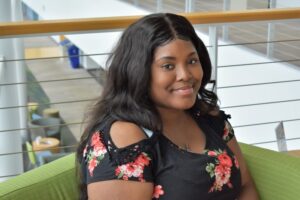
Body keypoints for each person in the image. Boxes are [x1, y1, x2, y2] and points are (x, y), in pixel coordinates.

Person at [76, 13, 259, 200]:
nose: (185, 75)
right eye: (168, 66)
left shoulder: (210, 119)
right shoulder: (124, 139)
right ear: (138, 72)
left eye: (192, 61)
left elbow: (245, 186)